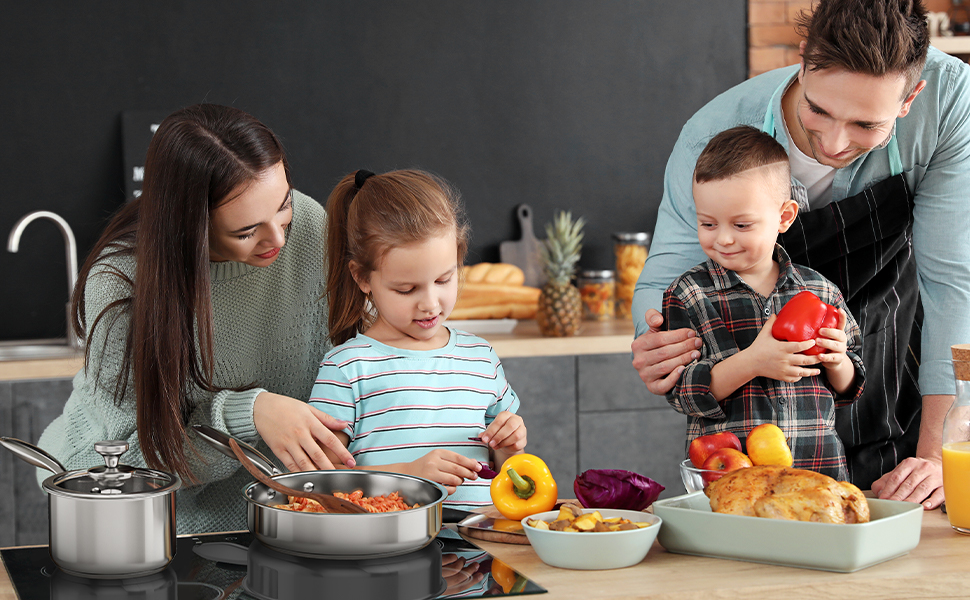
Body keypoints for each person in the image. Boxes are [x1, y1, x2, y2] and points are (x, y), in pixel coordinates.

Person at [631, 0, 970, 509]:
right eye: (819, 110)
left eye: (866, 126)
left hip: (893, 350)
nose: (835, 142)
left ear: (910, 99)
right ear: (804, 58)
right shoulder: (712, 133)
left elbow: (954, 283)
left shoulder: (948, 99)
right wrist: (654, 339)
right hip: (756, 403)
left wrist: (942, 454)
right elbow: (668, 267)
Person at [36, 104, 355, 534]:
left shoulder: (310, 223)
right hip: (144, 513)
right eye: (245, 231)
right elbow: (139, 459)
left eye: (283, 206)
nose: (278, 236)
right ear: (191, 224)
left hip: (281, 508)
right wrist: (250, 412)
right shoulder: (119, 284)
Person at [308, 169, 527, 510]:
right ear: (362, 277)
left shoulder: (481, 357)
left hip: (478, 549)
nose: (430, 303)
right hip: (387, 551)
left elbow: (507, 469)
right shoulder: (346, 368)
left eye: (444, 279)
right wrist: (409, 475)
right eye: (406, 289)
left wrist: (510, 447)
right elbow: (320, 481)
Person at [664, 125, 865, 480]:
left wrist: (837, 361)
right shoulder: (688, 294)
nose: (723, 239)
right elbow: (684, 394)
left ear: (784, 217)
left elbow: (851, 388)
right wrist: (754, 361)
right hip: (730, 481)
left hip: (818, 473)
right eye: (707, 223)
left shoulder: (821, 291)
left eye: (742, 225)